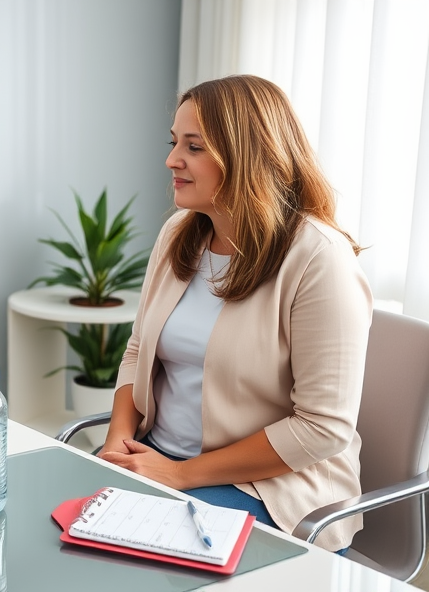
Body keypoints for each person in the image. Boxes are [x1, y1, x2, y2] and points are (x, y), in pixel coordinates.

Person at [98, 75, 372, 553]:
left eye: (194, 147)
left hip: (270, 487)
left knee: (132, 555)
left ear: (247, 155)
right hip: (161, 459)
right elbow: (140, 348)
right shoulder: (178, 234)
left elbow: (322, 428)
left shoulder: (318, 258)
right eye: (174, 142)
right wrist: (116, 441)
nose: (171, 160)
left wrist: (181, 474)